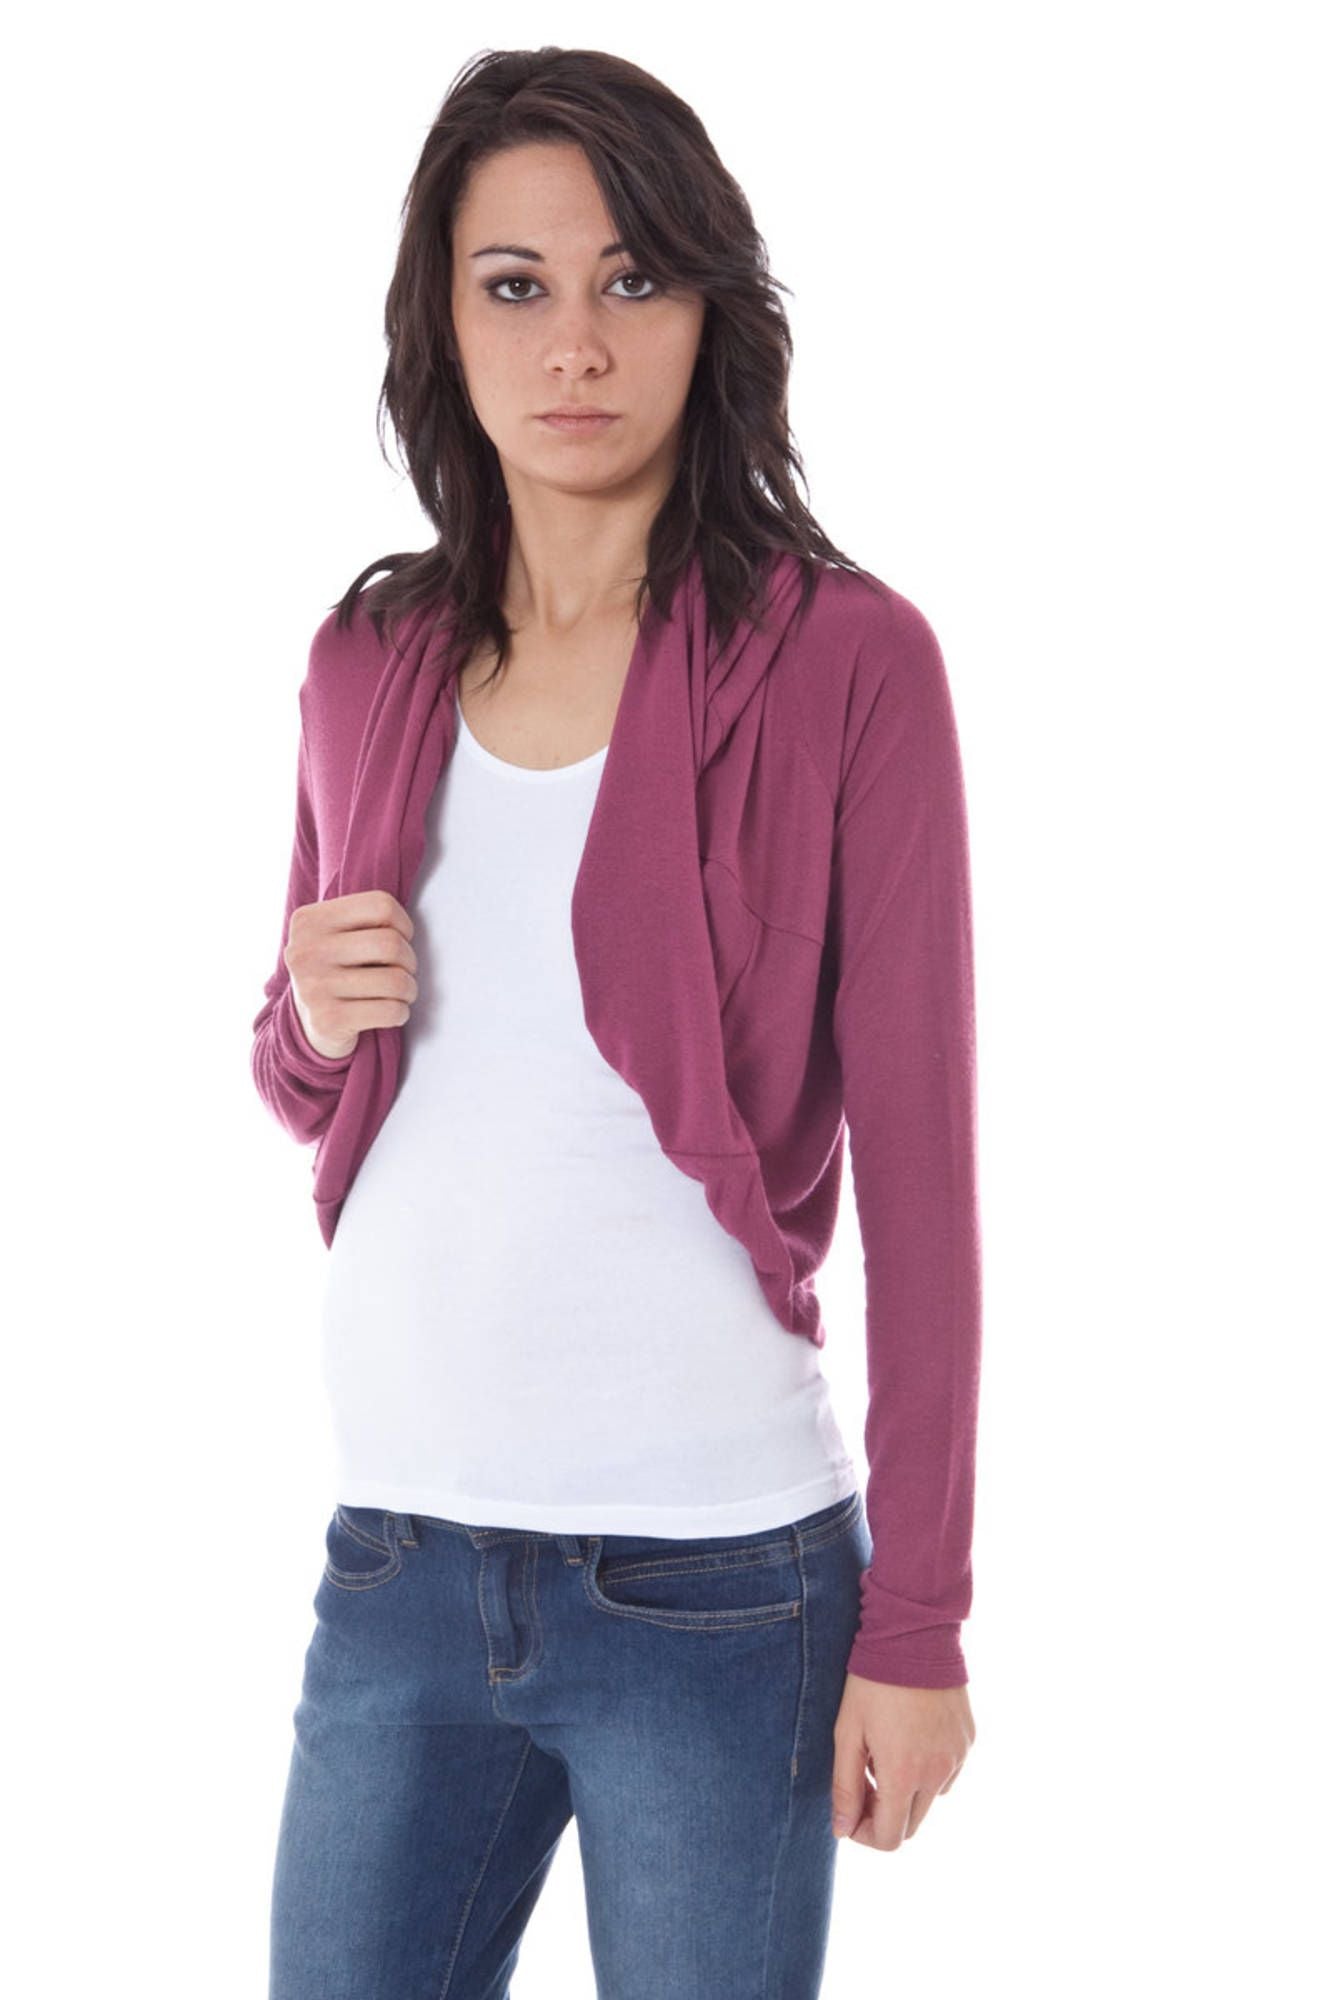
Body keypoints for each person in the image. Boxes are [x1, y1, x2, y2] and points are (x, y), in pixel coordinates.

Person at [256, 44, 981, 2000]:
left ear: (707, 308)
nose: (573, 343)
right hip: (397, 1568)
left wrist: (918, 1618)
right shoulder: (367, 655)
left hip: (718, 1583)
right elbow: (305, 1060)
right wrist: (312, 1011)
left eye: (630, 278)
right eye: (515, 284)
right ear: (443, 320)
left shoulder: (846, 662)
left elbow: (923, 1176)